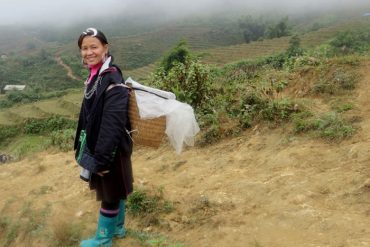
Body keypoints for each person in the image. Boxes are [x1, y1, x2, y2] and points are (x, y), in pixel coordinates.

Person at [74, 27, 133, 247]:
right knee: (115, 188)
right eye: (84, 48)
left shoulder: (112, 79)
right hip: (103, 147)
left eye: (94, 47)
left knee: (109, 192)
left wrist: (102, 159)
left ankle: (103, 239)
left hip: (111, 149)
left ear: (105, 48)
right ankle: (117, 228)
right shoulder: (95, 76)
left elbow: (113, 124)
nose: (88, 52)